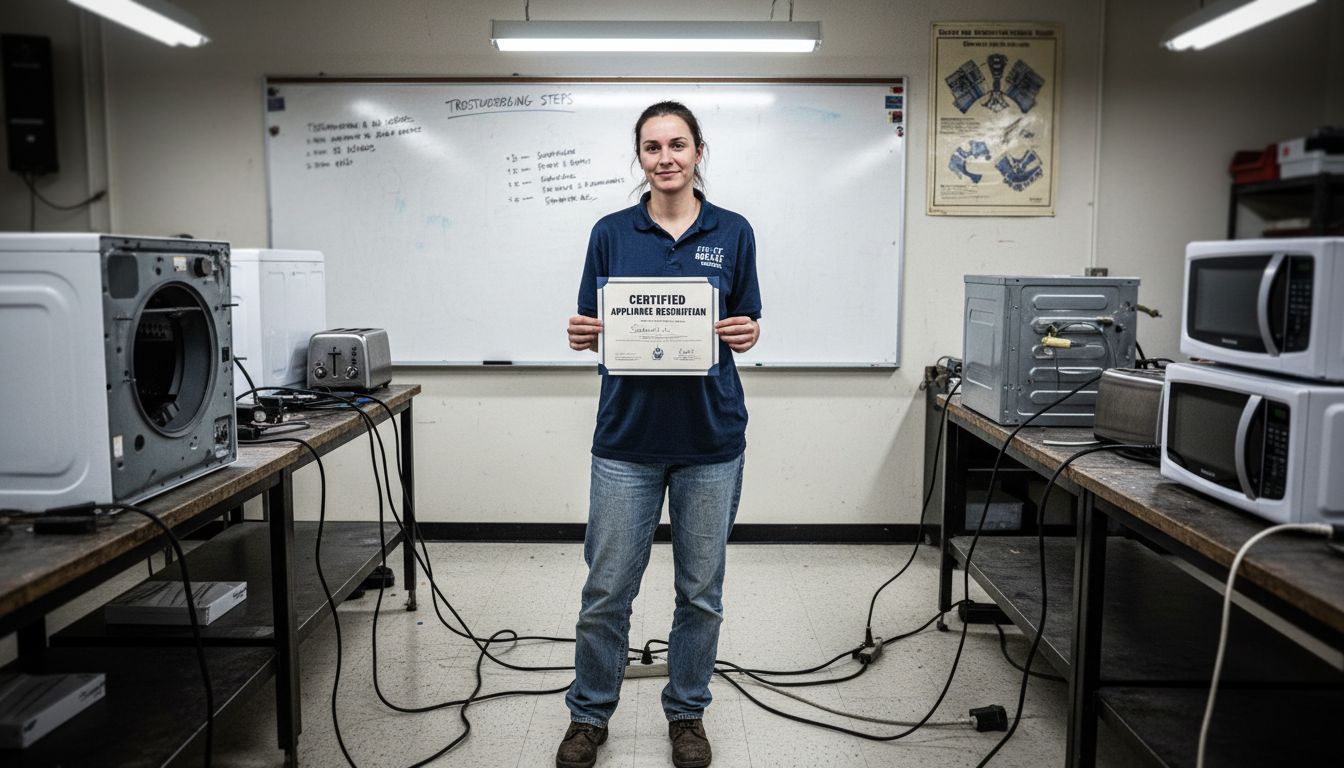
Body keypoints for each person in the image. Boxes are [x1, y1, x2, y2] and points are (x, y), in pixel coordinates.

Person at [558, 101, 762, 768]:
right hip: (626, 440)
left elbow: (746, 319)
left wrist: (747, 331)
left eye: (677, 144)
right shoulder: (610, 231)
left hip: (710, 439)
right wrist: (581, 333)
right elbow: (594, 326)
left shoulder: (733, 232)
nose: (665, 157)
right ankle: (589, 716)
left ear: (699, 151)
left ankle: (687, 715)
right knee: (607, 591)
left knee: (700, 592)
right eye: (652, 146)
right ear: (639, 156)